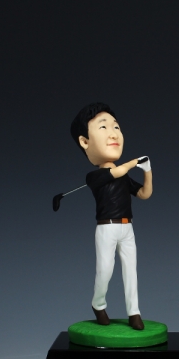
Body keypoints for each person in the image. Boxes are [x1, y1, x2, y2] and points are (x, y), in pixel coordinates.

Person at [70, 102, 152, 330]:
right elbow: (117, 171)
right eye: (103, 127)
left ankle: (134, 312)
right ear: (85, 142)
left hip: (127, 229)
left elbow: (144, 194)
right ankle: (98, 304)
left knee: (131, 271)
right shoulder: (93, 177)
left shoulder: (123, 176)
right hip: (106, 229)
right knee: (105, 270)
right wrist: (134, 163)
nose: (114, 133)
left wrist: (147, 171)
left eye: (116, 127)